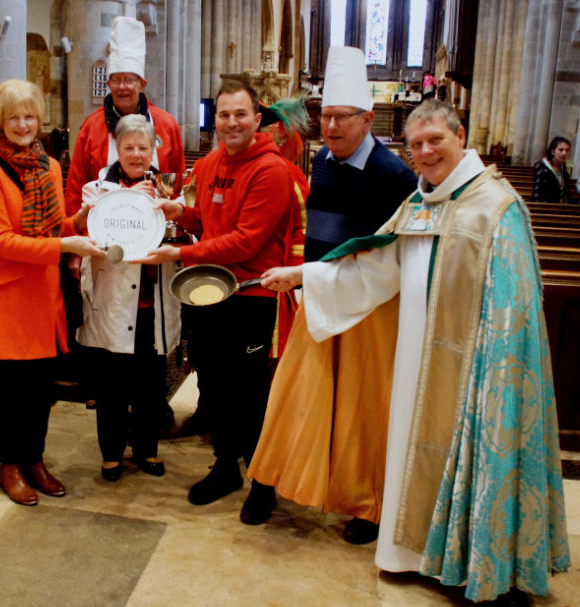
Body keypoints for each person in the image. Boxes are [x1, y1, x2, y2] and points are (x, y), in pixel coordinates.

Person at [259, 100, 570, 602]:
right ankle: (417, 554)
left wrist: (494, 373)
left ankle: (479, 563)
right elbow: (375, 269)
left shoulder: (496, 208)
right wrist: (303, 275)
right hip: (415, 364)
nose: (425, 153)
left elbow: (516, 313)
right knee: (408, 446)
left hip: (477, 372)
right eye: (416, 145)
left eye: (435, 141)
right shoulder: (421, 204)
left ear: (460, 135)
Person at [248, 46, 418, 537]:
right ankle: (269, 482)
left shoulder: (395, 176)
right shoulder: (321, 160)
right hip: (319, 294)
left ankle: (366, 503)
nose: (330, 126)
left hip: (368, 305)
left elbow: (394, 253)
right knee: (295, 393)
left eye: (342, 117)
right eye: (325, 116)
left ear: (367, 119)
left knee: (361, 408)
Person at [136, 82, 295, 522]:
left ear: (257, 117)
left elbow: (245, 242)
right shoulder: (207, 165)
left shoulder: (272, 171)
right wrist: (177, 214)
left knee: (250, 393)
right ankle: (226, 467)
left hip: (252, 296)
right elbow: (205, 219)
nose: (231, 123)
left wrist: (180, 253)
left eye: (240, 114)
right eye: (223, 114)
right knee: (215, 387)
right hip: (208, 292)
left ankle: (264, 483)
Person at [0, 79, 103, 506]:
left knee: (41, 388)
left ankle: (34, 459)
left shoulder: (49, 167)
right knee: (13, 389)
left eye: (29, 116)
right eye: (14, 117)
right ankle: (9, 464)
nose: (23, 124)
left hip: (44, 296)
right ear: (0, 123)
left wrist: (80, 218)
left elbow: (51, 227)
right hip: (10, 296)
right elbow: (0, 241)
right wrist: (64, 245)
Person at [75, 114, 181, 481]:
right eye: (128, 147)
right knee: (112, 386)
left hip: (155, 304)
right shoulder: (97, 191)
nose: (137, 154)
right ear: (116, 149)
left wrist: (172, 221)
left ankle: (147, 448)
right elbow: (85, 232)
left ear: (154, 149)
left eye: (143, 147)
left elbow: (183, 235)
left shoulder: (169, 191)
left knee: (151, 386)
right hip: (115, 303)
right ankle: (111, 453)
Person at [64, 16, 184, 217]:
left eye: (129, 79)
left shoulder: (166, 125)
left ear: (142, 84)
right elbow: (76, 190)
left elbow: (178, 186)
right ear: (107, 84)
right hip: (102, 234)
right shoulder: (91, 126)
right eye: (116, 80)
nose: (122, 87)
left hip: (156, 230)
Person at [532, 136, 572, 204]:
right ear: (553, 151)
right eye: (561, 150)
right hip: (546, 208)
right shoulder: (542, 169)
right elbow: (538, 195)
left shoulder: (563, 168)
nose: (564, 153)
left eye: (567, 150)